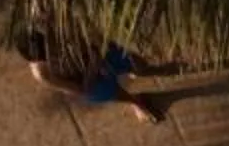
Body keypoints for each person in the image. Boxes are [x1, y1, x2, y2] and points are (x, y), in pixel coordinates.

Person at [18, 32, 163, 123]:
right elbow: (81, 90)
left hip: (97, 55)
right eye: (45, 57)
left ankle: (133, 69)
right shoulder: (43, 73)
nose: (51, 55)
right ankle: (134, 101)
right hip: (88, 75)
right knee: (96, 93)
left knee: (141, 65)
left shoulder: (60, 30)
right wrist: (93, 67)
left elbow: (97, 38)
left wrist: (98, 55)